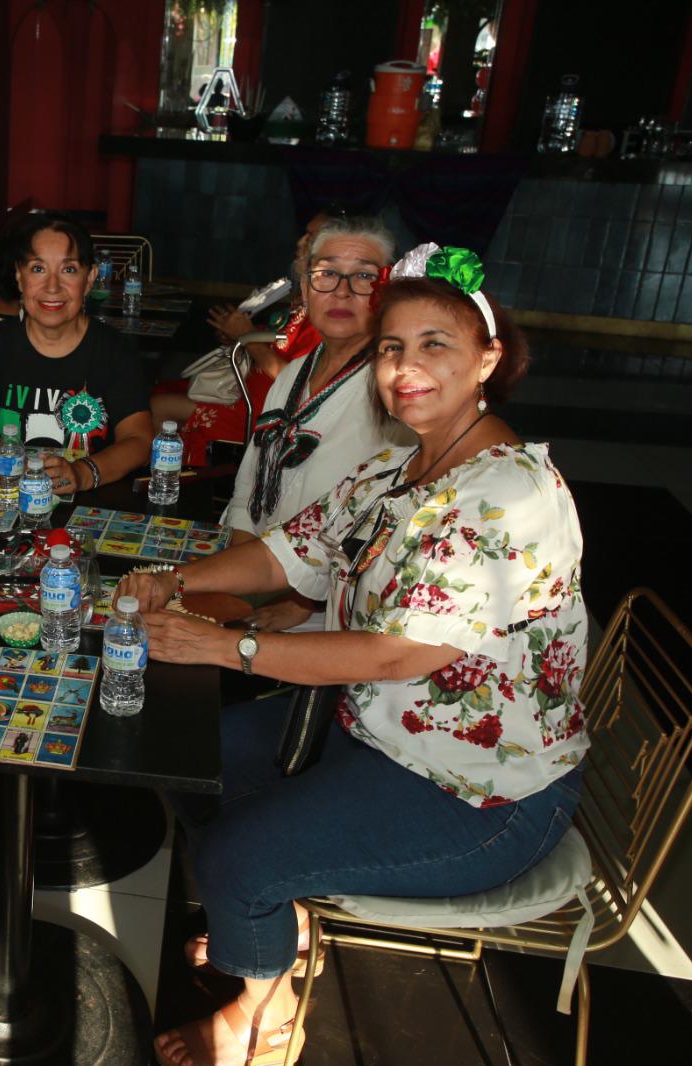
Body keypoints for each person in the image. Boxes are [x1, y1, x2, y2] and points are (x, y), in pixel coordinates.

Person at [121, 246, 587, 1066]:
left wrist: (228, 646)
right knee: (182, 753)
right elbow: (283, 554)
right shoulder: (399, 470)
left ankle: (260, 1015)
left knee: (235, 855)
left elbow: (392, 656)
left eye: (434, 344)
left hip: (479, 794)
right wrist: (173, 580)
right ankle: (271, 918)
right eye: (391, 347)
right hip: (378, 736)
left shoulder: (506, 493)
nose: (405, 367)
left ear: (489, 358)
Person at [222, 215, 414, 633]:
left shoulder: (396, 390)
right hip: (261, 571)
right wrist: (237, 566)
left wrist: (302, 601)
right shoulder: (293, 375)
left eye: (363, 276)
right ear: (306, 288)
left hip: (330, 605)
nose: (342, 291)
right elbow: (248, 484)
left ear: (386, 292)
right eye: (326, 274)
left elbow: (395, 518)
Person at [0, 213, 153, 495]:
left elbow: (138, 439)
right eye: (38, 269)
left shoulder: (116, 350)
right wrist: (10, 470)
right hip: (10, 496)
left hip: (94, 499)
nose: (52, 287)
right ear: (19, 277)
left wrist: (82, 474)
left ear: (90, 279)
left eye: (68, 270)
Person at [150, 209, 336, 463]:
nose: (300, 242)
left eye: (311, 236)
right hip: (244, 389)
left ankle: (167, 482)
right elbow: (281, 341)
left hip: (267, 410)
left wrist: (246, 336)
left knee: (158, 406)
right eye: (304, 233)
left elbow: (297, 382)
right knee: (161, 389)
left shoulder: (330, 316)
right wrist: (238, 334)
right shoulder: (305, 300)